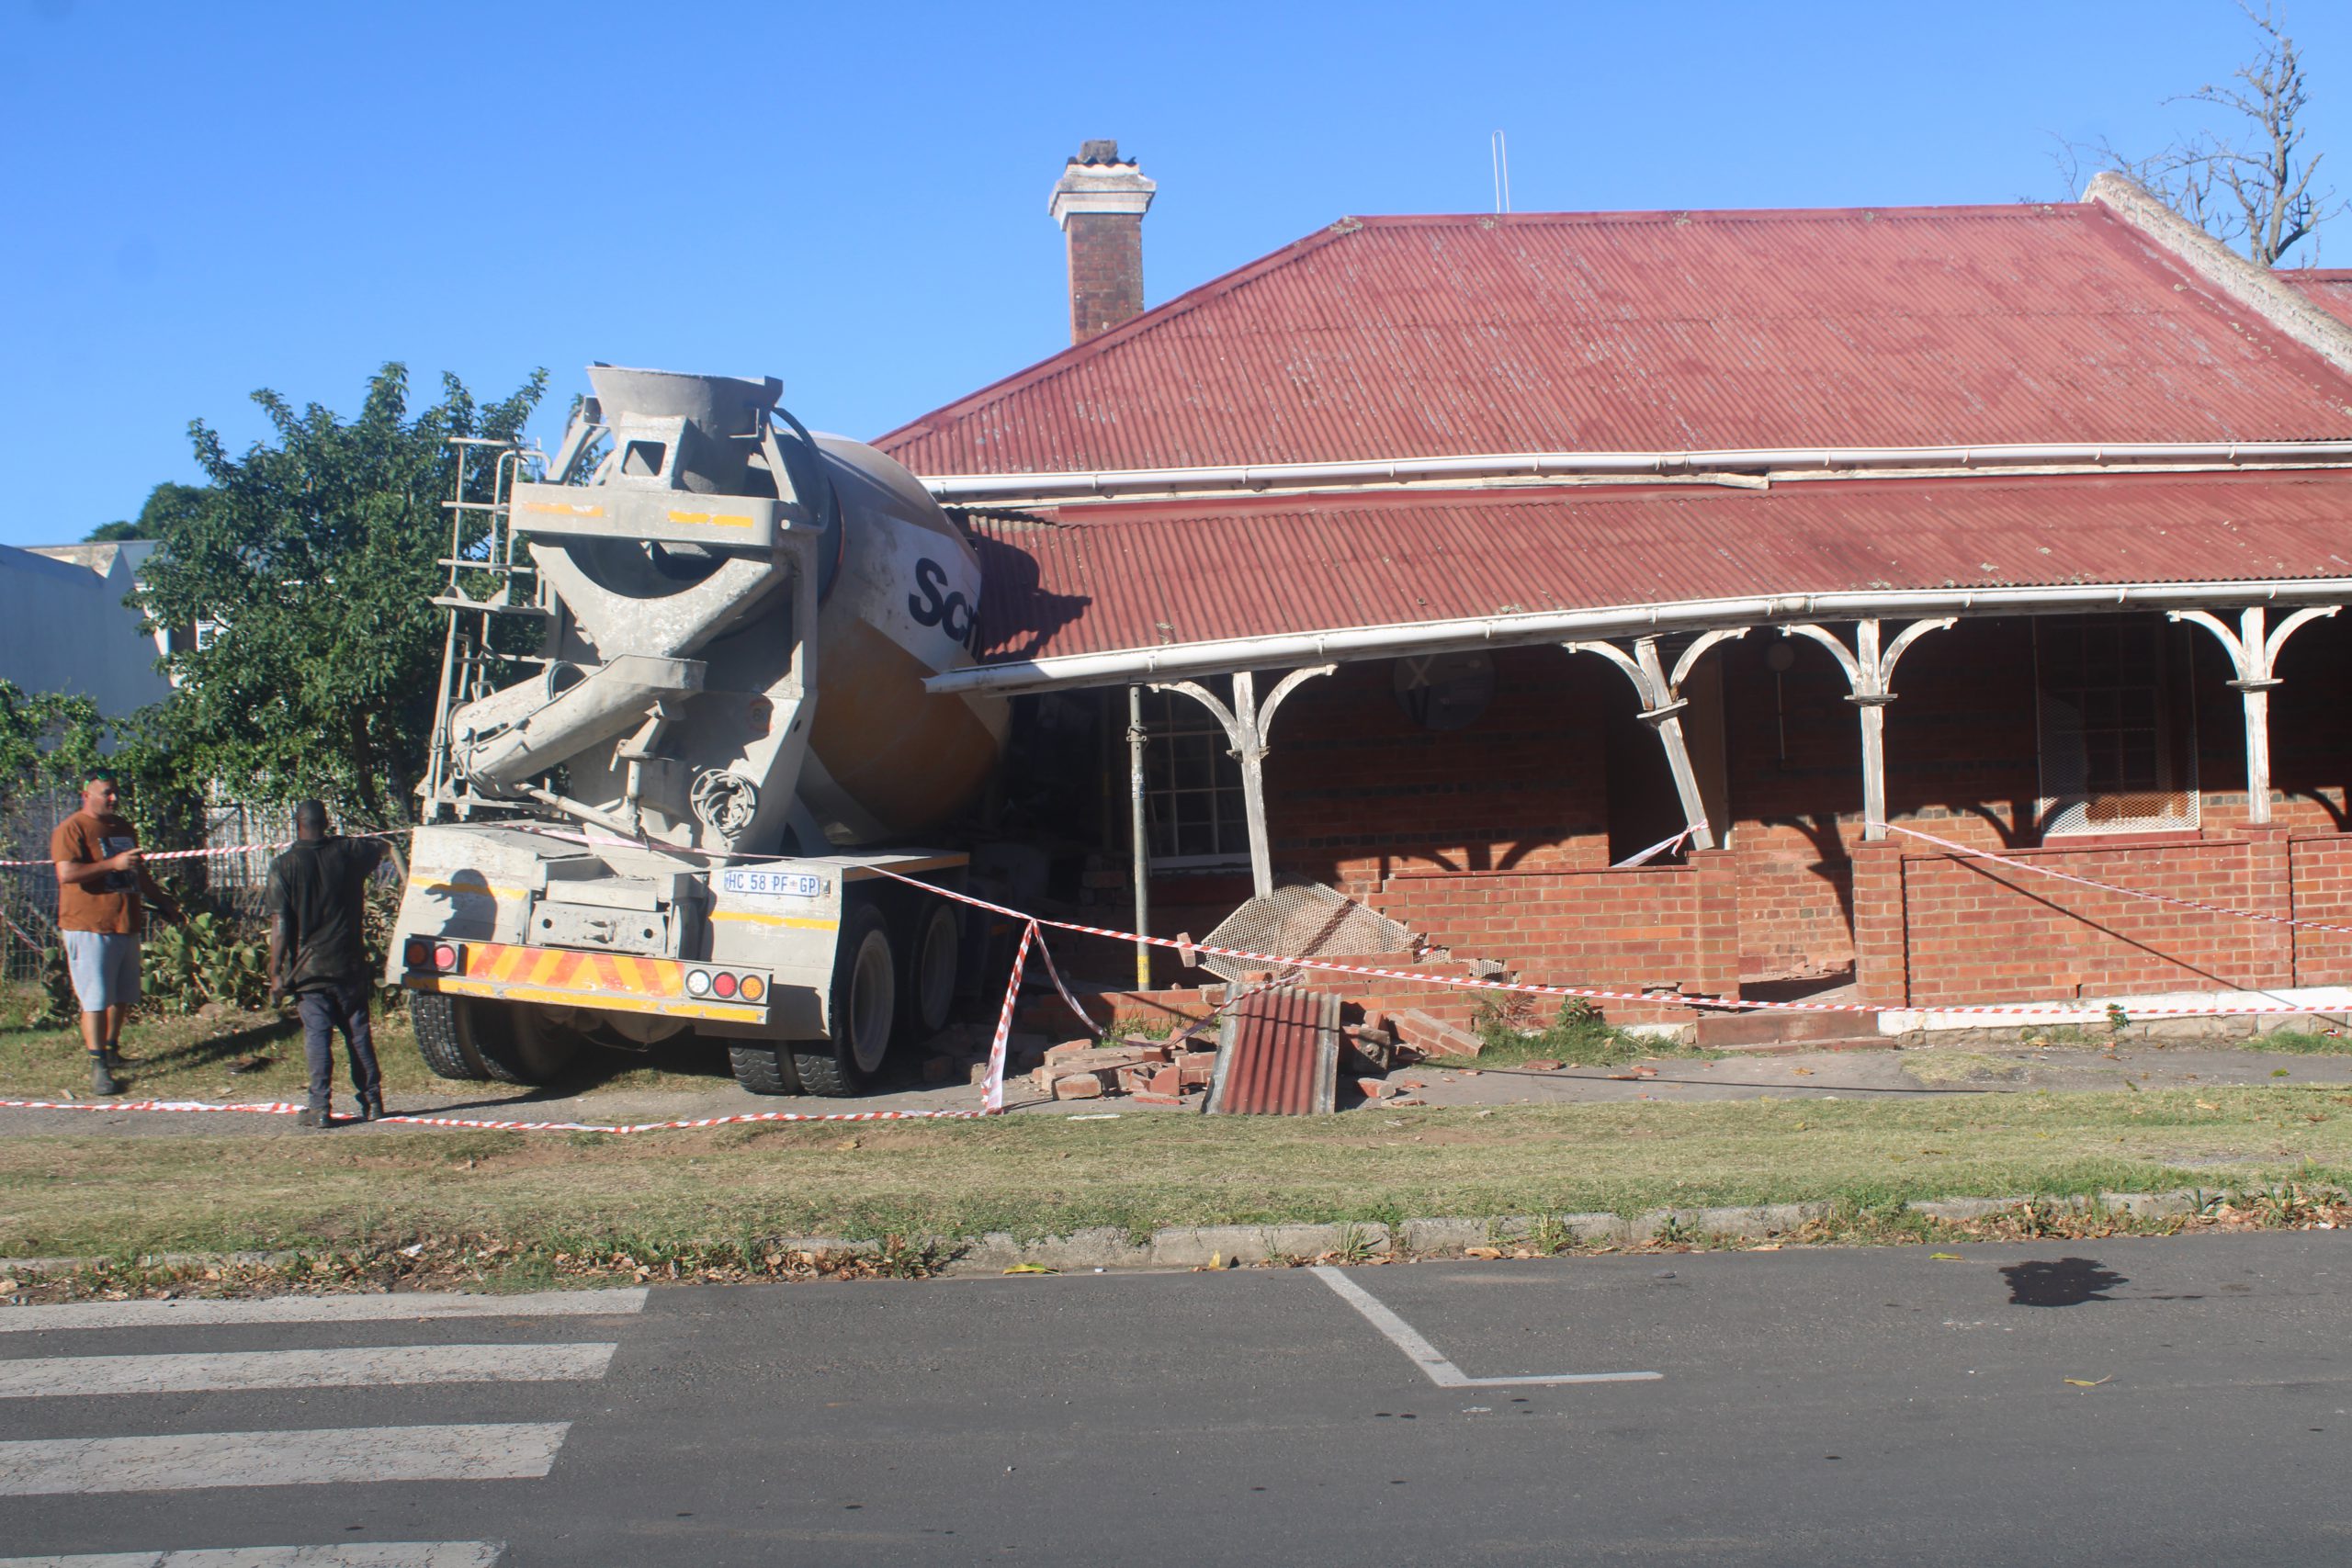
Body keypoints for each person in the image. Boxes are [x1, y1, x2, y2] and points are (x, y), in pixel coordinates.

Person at [51, 773, 181, 1097]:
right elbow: (67, 873)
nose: (113, 799)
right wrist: (113, 864)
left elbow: (138, 872)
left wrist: (165, 903)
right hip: (88, 925)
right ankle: (98, 1066)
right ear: (86, 794)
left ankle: (111, 1049)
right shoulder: (72, 828)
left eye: (116, 794)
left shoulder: (123, 827)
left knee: (122, 994)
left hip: (125, 922)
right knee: (95, 998)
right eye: (106, 793)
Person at [265, 800, 390, 1129]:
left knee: (318, 1037)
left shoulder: (283, 865)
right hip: (347, 964)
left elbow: (280, 923)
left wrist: (275, 971)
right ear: (327, 823)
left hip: (308, 972)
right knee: (358, 1034)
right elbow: (381, 846)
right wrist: (339, 840)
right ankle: (373, 1101)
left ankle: (320, 1107)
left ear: (297, 823)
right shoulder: (347, 854)